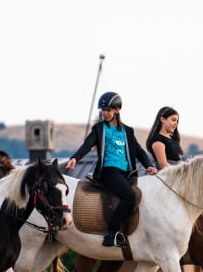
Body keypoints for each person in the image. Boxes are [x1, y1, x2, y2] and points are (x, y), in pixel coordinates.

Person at [65, 91, 157, 247]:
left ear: (117, 110)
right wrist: (75, 158)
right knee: (129, 196)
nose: (105, 113)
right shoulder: (100, 128)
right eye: (103, 110)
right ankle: (111, 234)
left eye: (108, 110)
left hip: (127, 173)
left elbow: (139, 151)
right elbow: (87, 145)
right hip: (109, 171)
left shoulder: (128, 131)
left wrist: (149, 165)